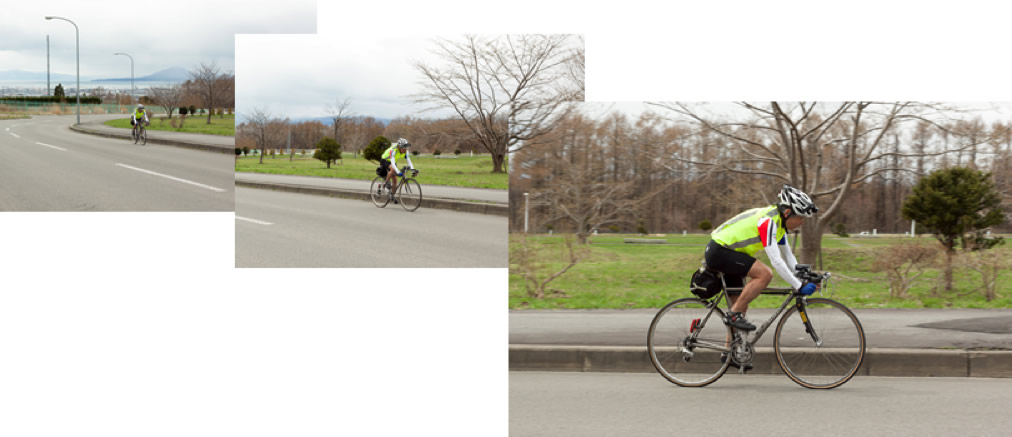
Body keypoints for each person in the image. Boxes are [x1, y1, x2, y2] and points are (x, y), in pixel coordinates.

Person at [705, 185, 820, 332]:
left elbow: (789, 257)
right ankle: (732, 315)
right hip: (720, 250)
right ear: (787, 212)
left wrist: (804, 277)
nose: (802, 221)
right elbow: (776, 261)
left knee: (741, 309)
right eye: (800, 217)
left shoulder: (780, 225)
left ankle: (730, 353)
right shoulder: (768, 222)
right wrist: (799, 286)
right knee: (765, 274)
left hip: (731, 253)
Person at [381, 138, 417, 203]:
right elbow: (392, 163)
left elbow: (409, 162)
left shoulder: (406, 152)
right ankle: (386, 183)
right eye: (404, 148)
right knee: (393, 169)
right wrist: (398, 172)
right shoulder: (393, 150)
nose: (406, 149)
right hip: (385, 160)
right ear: (399, 147)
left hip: (393, 162)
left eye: (406, 147)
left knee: (395, 179)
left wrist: (413, 170)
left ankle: (392, 194)